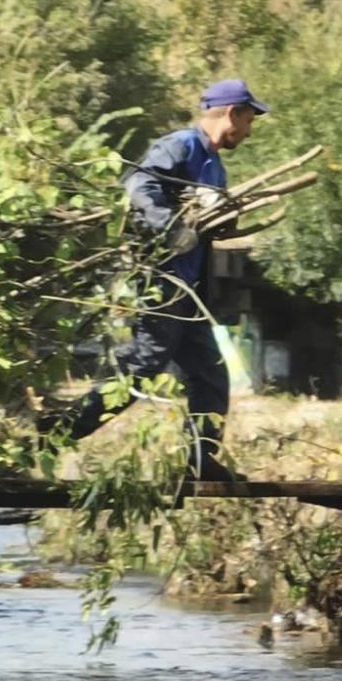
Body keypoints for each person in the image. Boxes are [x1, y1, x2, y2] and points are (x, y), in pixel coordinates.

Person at [42, 80, 269, 480]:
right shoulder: (181, 145)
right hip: (161, 282)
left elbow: (206, 222)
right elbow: (139, 185)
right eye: (248, 121)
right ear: (231, 113)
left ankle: (201, 460)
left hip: (189, 292)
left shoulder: (215, 164)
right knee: (144, 363)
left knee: (210, 373)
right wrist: (171, 228)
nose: (248, 131)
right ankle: (60, 429)